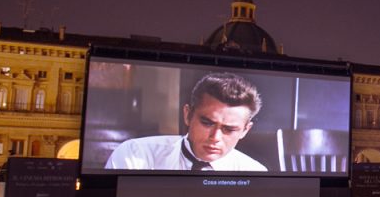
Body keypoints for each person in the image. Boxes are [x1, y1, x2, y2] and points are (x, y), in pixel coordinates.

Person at [105, 72, 267, 171]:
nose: (215, 137)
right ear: (188, 115)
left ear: (245, 130)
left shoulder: (255, 172)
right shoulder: (135, 154)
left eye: (229, 129)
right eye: (207, 123)